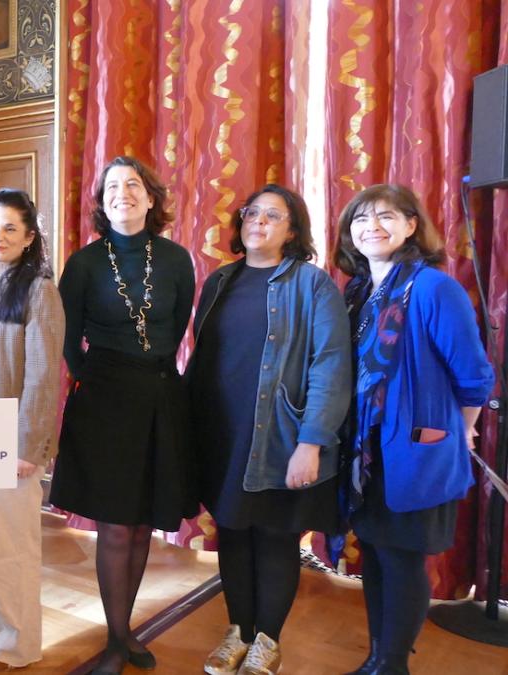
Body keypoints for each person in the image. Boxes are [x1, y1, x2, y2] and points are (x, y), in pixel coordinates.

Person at [187, 185, 351, 675]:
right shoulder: (219, 281)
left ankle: (267, 641)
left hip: (282, 435)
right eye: (251, 212)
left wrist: (311, 441)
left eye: (272, 216)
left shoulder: (312, 284)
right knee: (233, 533)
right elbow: (203, 357)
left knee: (277, 536)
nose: (258, 221)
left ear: (292, 230)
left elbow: (330, 365)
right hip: (223, 432)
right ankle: (237, 631)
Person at [333, 184, 494, 675]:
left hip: (417, 450)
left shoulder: (432, 286)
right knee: (378, 557)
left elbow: (474, 376)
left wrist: (462, 431)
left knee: (403, 559)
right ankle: (380, 655)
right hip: (367, 451)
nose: (372, 226)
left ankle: (392, 665)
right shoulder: (360, 290)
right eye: (361, 219)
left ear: (410, 225)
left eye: (386, 216)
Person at [50, 156, 197, 675]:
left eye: (133, 184)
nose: (123, 193)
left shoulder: (177, 259)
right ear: (102, 201)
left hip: (160, 396)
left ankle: (125, 627)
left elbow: (178, 327)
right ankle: (116, 638)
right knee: (114, 526)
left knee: (140, 526)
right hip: (106, 398)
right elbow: (67, 339)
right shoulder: (86, 263)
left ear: (151, 198)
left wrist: (148, 373)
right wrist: (98, 376)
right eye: (112, 186)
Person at [0, 188, 64, 668]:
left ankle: (20, 642)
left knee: (13, 549)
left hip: (14, 444)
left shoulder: (40, 290)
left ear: (29, 238)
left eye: (9, 228)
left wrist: (30, 447)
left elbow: (44, 375)